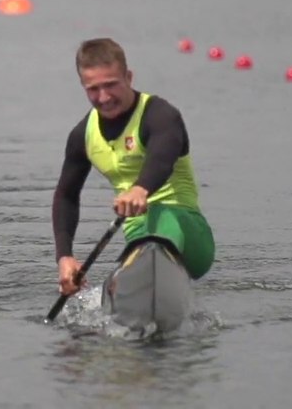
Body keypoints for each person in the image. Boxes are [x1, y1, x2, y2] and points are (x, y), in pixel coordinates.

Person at [52, 38, 215, 300]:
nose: (104, 97)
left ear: (128, 76)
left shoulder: (161, 115)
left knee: (160, 218)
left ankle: (143, 278)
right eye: (93, 89)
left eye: (111, 85)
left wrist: (141, 188)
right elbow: (66, 195)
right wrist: (65, 256)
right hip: (137, 234)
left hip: (189, 233)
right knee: (143, 236)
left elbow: (162, 157)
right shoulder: (82, 135)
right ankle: (131, 288)